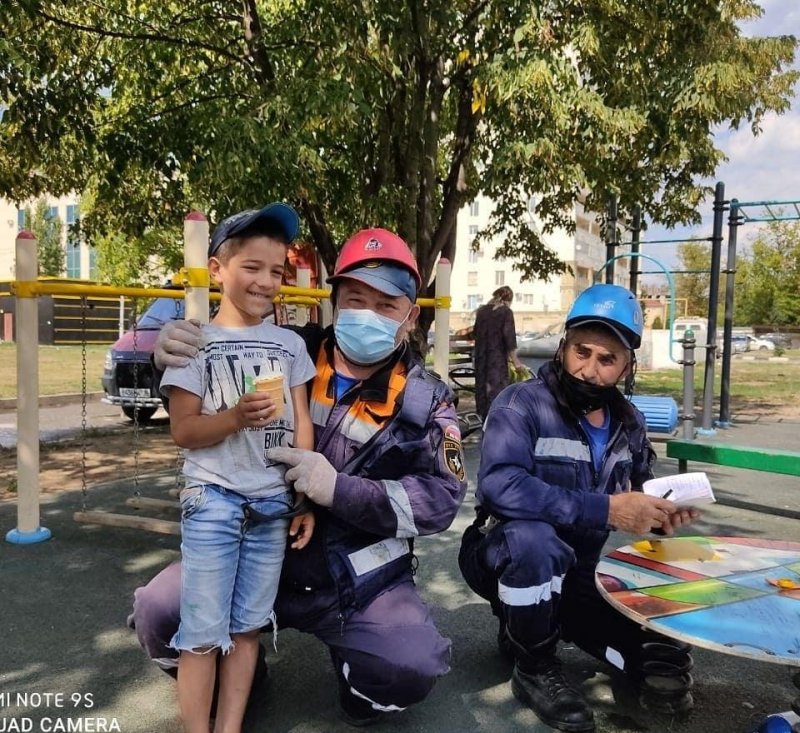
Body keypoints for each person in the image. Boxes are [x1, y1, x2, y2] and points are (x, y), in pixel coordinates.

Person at [128, 227, 468, 727]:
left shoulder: (426, 400)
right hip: (254, 547)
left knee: (406, 666)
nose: (367, 315)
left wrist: (338, 490)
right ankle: (239, 675)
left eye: (386, 304)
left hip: (354, 579)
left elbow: (440, 500)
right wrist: (172, 360)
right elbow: (208, 408)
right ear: (333, 302)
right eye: (355, 299)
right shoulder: (283, 349)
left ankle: (358, 688)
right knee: (159, 611)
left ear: (412, 315)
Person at [458, 283, 699, 732]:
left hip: (578, 573)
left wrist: (665, 516)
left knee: (659, 655)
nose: (589, 369)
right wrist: (608, 510)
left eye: (606, 360)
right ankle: (534, 667)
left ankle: (525, 629)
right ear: (564, 346)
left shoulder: (629, 422)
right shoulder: (521, 404)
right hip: (501, 553)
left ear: (627, 366)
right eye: (581, 351)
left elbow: (646, 490)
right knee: (534, 541)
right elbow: (498, 486)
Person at [161, 204, 317, 733]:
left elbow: (302, 425)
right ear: (218, 268)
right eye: (252, 267)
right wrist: (232, 418)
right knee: (202, 633)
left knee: (248, 628)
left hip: (273, 502)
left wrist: (304, 496)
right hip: (213, 498)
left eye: (277, 271)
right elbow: (183, 431)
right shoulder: (192, 341)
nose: (266, 282)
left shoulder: (291, 344)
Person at [472, 285, 526, 419]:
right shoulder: (506, 312)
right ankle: (495, 423)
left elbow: (475, 333)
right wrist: (517, 363)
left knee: (482, 393)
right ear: (508, 299)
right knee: (497, 393)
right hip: (496, 361)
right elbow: (509, 339)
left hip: (481, 360)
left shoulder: (481, 311)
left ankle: (483, 421)